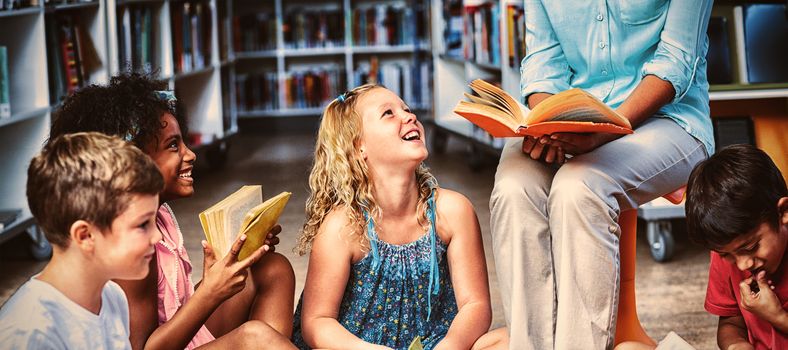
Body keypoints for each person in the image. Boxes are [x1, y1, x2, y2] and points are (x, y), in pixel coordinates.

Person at [490, 1, 715, 348]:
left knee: (579, 187)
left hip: (669, 120)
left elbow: (677, 61)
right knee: (512, 188)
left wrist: (605, 131)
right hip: (572, 119)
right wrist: (550, 125)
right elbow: (542, 66)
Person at [47, 72, 297, 349]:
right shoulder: (133, 242)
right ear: (133, 162)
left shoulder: (159, 214)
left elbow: (177, 310)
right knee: (255, 338)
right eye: (173, 146)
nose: (190, 155)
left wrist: (227, 267)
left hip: (181, 335)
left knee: (272, 268)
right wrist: (210, 293)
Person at [291, 84, 507, 349]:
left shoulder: (452, 211)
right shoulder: (342, 227)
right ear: (359, 147)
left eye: (407, 109)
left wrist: (450, 346)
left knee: (512, 339)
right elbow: (317, 321)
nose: (409, 116)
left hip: (435, 344)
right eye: (388, 114)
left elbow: (475, 305)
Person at [0, 132, 164, 349]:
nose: (158, 236)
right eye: (143, 224)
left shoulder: (112, 297)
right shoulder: (28, 334)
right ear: (85, 236)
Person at [686, 144, 788, 350]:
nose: (742, 265)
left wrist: (778, 317)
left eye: (750, 247)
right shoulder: (725, 250)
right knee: (629, 348)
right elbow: (731, 322)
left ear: (784, 212)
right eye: (727, 255)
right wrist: (736, 345)